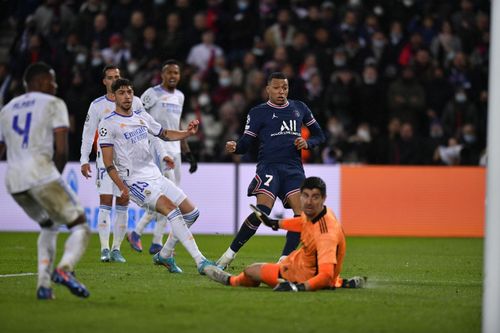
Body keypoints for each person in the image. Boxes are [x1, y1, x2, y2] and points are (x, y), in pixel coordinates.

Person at [98, 78, 213, 274]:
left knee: (192, 213)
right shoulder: (108, 124)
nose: (127, 96)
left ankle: (165, 254)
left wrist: (187, 133)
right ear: (114, 97)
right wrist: (122, 186)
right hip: (134, 181)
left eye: (129, 92)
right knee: (172, 210)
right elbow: (108, 163)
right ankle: (200, 261)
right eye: (122, 93)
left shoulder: (142, 117)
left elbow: (165, 133)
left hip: (154, 174)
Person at [216, 72, 326, 269]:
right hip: (269, 167)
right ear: (268, 89)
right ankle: (228, 255)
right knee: (262, 212)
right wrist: (236, 147)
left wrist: (307, 143)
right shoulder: (258, 112)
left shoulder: (300, 108)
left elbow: (320, 135)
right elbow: (246, 143)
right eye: (276, 88)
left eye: (284, 87)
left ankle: (284, 261)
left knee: (301, 215)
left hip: (293, 169)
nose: (281, 91)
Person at [0, 62, 90, 299]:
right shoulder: (53, 103)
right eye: (52, 80)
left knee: (49, 225)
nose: (56, 85)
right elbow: (61, 149)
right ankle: (65, 269)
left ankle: (43, 286)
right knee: (80, 224)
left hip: (14, 180)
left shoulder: (7, 109)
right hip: (41, 173)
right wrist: (55, 176)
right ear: (39, 82)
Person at [203, 177, 365, 291]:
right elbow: (301, 222)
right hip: (302, 263)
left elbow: (325, 274)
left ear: (323, 198)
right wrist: (275, 223)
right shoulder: (322, 212)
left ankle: (230, 280)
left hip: (300, 275)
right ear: (300, 196)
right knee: (289, 261)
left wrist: (297, 287)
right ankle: (339, 283)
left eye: (315, 197)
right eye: (306, 196)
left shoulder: (325, 233)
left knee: (252, 270)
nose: (309, 201)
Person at [128, 59, 198, 256]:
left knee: (169, 195)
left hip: (175, 149)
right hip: (157, 148)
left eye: (176, 73)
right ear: (162, 74)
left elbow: (176, 125)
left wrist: (188, 153)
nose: (173, 76)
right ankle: (148, 237)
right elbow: (137, 116)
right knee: (167, 196)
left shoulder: (180, 97)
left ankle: (145, 236)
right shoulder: (151, 94)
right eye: (169, 73)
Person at [80, 65, 143, 263]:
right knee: (105, 203)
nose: (114, 79)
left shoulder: (135, 102)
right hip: (104, 162)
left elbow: (145, 130)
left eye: (117, 76)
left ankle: (117, 249)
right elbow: (88, 134)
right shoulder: (97, 105)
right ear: (104, 82)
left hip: (128, 164)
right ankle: (105, 249)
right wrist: (84, 159)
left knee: (123, 204)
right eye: (110, 77)